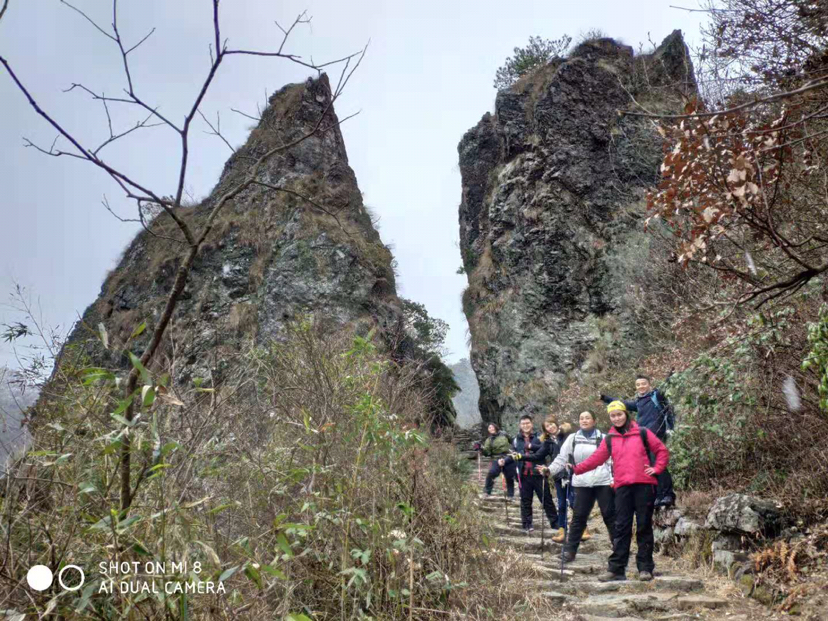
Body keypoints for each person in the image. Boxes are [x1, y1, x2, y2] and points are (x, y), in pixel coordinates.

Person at [574, 401, 669, 582]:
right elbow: (596, 459)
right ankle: (616, 569)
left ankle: (645, 568)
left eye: (619, 414)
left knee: (643, 526)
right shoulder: (610, 439)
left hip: (644, 486)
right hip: (622, 488)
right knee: (621, 527)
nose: (617, 418)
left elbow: (662, 451)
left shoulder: (642, 432)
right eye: (613, 415)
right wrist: (576, 469)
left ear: (626, 414)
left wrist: (656, 469)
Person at [545, 411, 615, 561]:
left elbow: (612, 461)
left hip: (602, 481)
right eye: (581, 418)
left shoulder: (603, 438)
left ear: (594, 421)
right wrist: (549, 470)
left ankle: (619, 549)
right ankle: (569, 552)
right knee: (578, 517)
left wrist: (613, 479)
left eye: (587, 418)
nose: (584, 420)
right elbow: (562, 458)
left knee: (609, 515)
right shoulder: (573, 438)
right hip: (581, 482)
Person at [601, 375, 676, 507]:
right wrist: (605, 398)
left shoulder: (656, 396)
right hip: (644, 437)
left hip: (657, 434)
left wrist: (671, 375)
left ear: (649, 384)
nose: (641, 386)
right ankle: (659, 495)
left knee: (657, 463)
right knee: (649, 465)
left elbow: (665, 387)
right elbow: (622, 403)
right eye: (638, 384)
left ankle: (668, 494)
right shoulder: (638, 402)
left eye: (643, 383)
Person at [499, 415, 557, 533]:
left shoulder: (540, 437)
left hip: (538, 473)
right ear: (520, 425)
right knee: (525, 501)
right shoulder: (516, 440)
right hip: (523, 475)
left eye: (527, 423)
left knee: (546, 499)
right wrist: (504, 461)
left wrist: (531, 447)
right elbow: (513, 455)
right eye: (523, 423)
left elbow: (544, 450)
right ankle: (527, 524)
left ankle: (555, 523)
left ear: (531, 424)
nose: (525, 425)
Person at [476, 423, 515, 498]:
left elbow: (513, 441)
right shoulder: (489, 440)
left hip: (507, 457)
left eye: (492, 427)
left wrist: (513, 450)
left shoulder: (504, 434)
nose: (491, 429)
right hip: (496, 458)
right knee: (491, 473)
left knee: (510, 477)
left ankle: (510, 495)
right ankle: (487, 492)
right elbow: (487, 452)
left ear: (496, 427)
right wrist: (481, 449)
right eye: (489, 428)